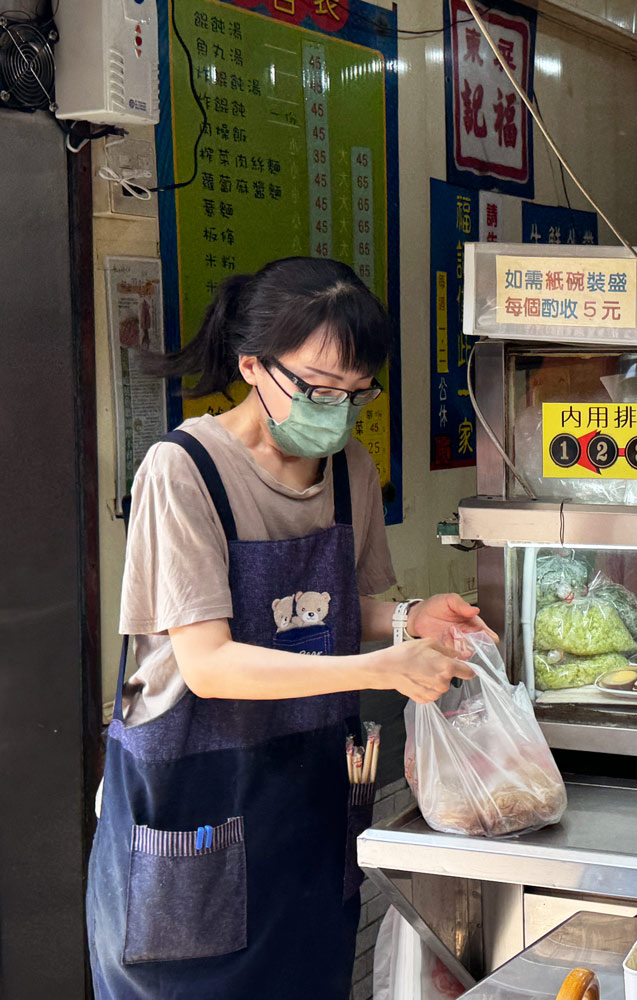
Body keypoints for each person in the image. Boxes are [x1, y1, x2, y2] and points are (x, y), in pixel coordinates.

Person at [87, 258, 491, 1000]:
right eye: (317, 388)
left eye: (355, 392)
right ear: (252, 366)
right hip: (197, 805)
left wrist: (408, 619)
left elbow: (333, 610)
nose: (337, 409)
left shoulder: (351, 471)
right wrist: (379, 669)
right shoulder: (184, 472)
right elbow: (208, 663)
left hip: (306, 807)